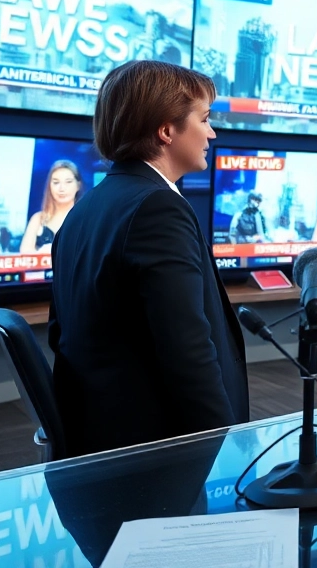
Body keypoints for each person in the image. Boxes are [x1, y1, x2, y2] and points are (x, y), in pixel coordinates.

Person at [48, 60, 248, 457]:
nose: (212, 132)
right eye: (204, 119)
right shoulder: (158, 208)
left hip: (102, 443)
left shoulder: (86, 208)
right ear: (166, 131)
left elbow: (60, 333)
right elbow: (188, 352)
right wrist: (222, 451)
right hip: (158, 456)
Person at [20, 160, 83, 254]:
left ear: (78, 185)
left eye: (68, 182)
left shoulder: (86, 219)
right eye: (56, 182)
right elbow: (25, 254)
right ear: (49, 186)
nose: (62, 188)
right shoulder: (38, 219)